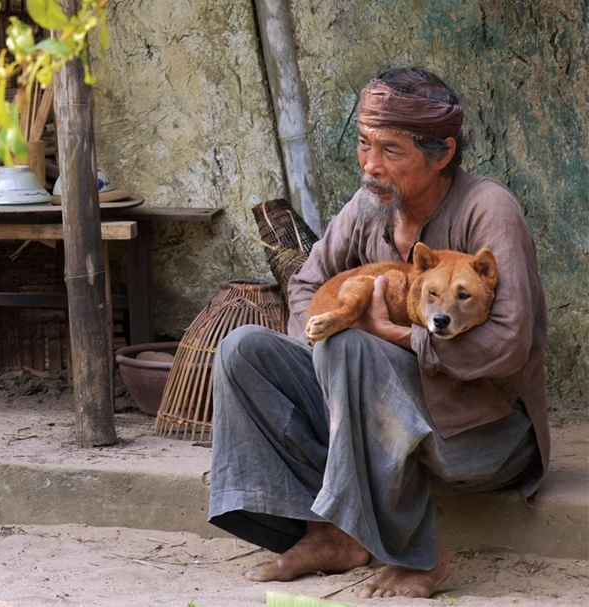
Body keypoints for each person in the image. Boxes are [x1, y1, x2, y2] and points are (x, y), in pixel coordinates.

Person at [208, 67, 549, 599]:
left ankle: (417, 552)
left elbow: (508, 342)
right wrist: (322, 351)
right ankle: (327, 532)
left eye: (391, 150)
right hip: (374, 415)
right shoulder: (370, 203)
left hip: (479, 435)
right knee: (243, 350)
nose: (371, 165)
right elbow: (306, 285)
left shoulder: (488, 210)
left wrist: (392, 335)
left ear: (441, 154)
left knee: (354, 346)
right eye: (365, 145)